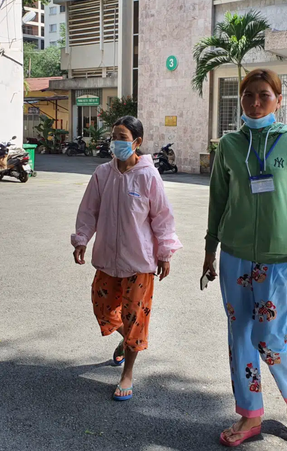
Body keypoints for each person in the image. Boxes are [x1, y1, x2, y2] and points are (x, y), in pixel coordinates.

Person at [203, 69, 287, 446]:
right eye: (249, 95)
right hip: (235, 254)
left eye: (264, 95)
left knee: (268, 335)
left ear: (278, 100)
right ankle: (250, 414)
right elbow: (218, 200)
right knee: (240, 336)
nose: (255, 102)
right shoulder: (229, 145)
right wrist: (210, 248)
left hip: (278, 255)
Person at [72, 115, 182, 401]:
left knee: (135, 319)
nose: (116, 142)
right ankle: (128, 341)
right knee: (103, 309)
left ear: (137, 142)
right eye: (113, 136)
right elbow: (89, 211)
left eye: (122, 137)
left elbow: (162, 217)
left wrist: (165, 252)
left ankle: (127, 373)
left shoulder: (148, 175)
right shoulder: (102, 174)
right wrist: (82, 238)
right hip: (107, 258)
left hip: (139, 262)